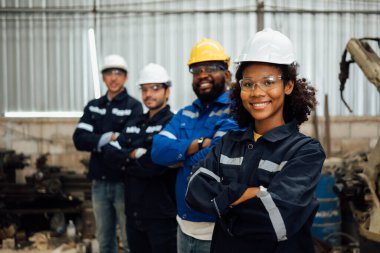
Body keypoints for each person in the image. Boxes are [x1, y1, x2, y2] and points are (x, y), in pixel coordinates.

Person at [185, 28, 326, 253]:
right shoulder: (228, 143)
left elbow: (276, 220)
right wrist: (255, 193)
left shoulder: (305, 151)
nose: (257, 92)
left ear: (288, 85)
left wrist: (221, 202)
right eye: (248, 83)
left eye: (268, 82)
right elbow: (194, 189)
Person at [151, 38, 239, 253]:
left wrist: (179, 157)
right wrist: (200, 143)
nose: (202, 75)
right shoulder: (185, 113)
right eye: (196, 70)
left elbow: (216, 159)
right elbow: (158, 150)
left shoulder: (235, 110)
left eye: (211, 68)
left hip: (216, 230)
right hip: (183, 226)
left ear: (227, 75)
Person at [101, 63, 177, 253]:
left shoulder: (173, 123)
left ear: (167, 91)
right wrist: (134, 155)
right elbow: (109, 153)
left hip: (161, 215)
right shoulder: (135, 122)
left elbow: (155, 165)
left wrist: (126, 158)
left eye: (155, 88)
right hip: (134, 212)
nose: (148, 94)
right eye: (144, 89)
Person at [73, 54, 143, 253]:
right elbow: (79, 139)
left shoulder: (134, 107)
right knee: (105, 240)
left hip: (124, 183)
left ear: (125, 78)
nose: (113, 78)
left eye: (118, 73)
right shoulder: (94, 106)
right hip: (99, 185)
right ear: (103, 77)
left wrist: (96, 140)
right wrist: (108, 137)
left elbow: (129, 142)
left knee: (129, 239)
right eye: (109, 73)